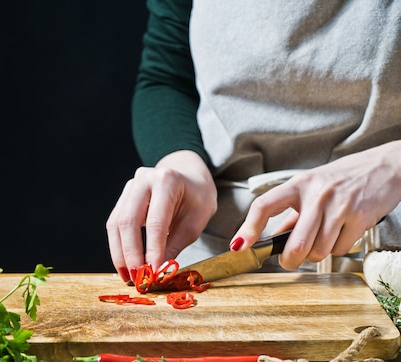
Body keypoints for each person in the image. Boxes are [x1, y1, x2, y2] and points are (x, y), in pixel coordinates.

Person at [106, 0, 401, 283]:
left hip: (388, 259)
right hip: (215, 249)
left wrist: (391, 165)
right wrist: (182, 164)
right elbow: (167, 77)